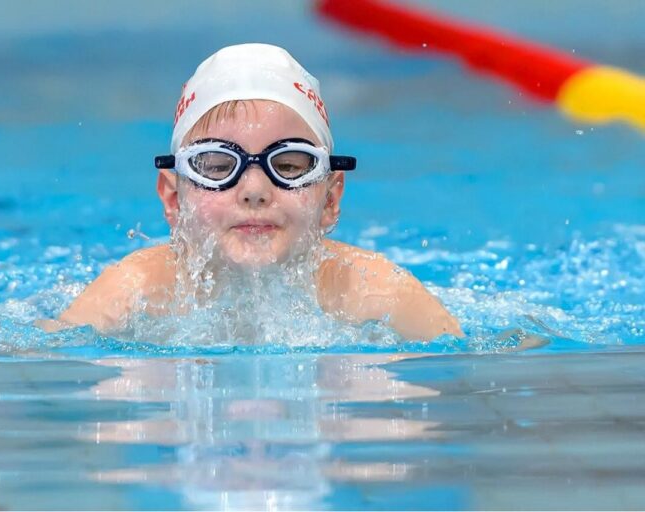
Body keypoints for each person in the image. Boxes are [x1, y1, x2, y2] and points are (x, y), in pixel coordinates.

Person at [49, 43, 462, 341]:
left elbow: (462, 374)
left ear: (330, 198)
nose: (254, 190)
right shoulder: (134, 291)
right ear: (174, 199)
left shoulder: (377, 294)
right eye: (216, 166)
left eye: (289, 165)